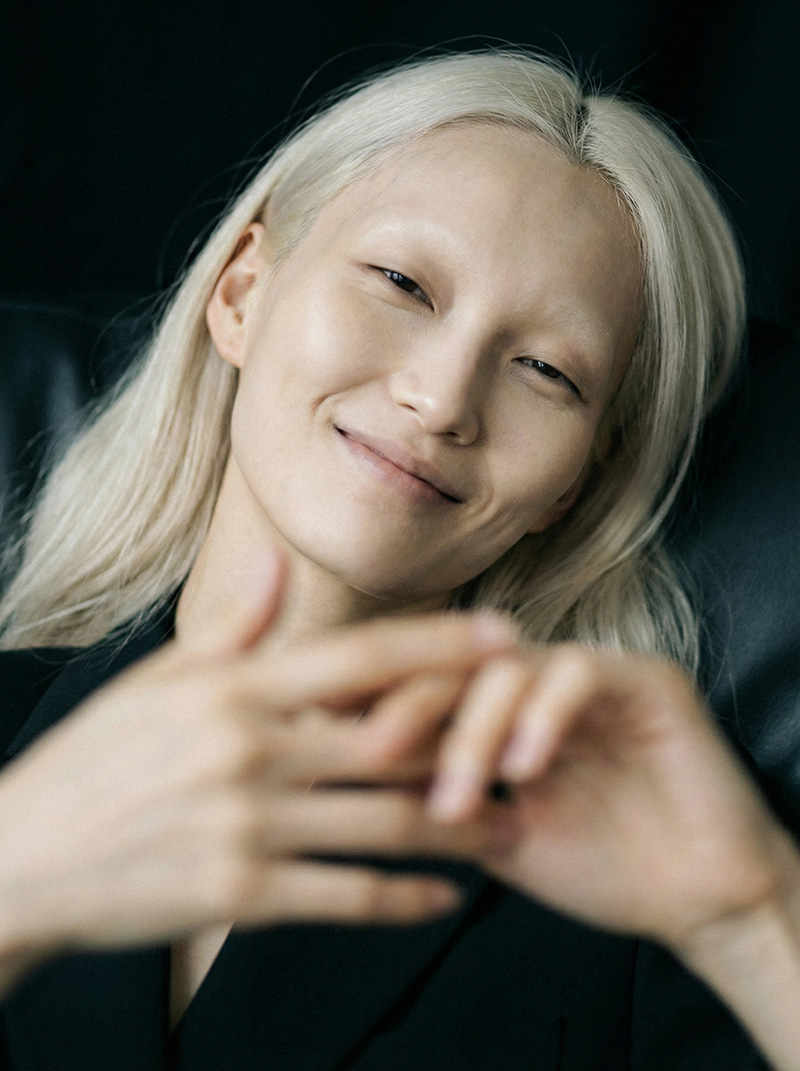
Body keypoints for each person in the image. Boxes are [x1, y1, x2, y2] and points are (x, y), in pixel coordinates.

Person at [0, 48, 797, 1069]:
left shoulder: (664, 852)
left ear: (575, 484)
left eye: (545, 370)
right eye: (402, 284)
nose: (442, 397)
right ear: (242, 293)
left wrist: (751, 920)